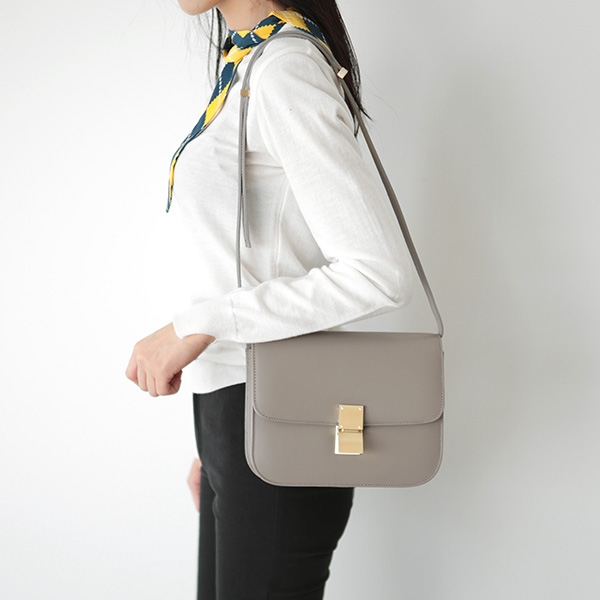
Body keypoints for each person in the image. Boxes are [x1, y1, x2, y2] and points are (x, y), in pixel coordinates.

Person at [126, 1, 413, 598]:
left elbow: (377, 272)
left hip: (277, 422)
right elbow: (246, 261)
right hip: (240, 419)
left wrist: (195, 326)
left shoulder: (285, 69)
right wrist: (215, 449)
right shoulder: (248, 66)